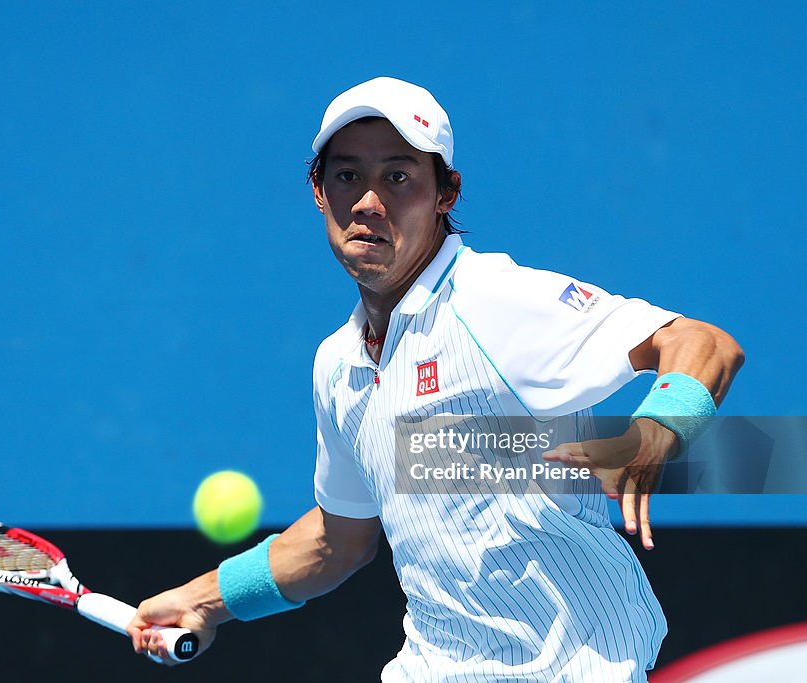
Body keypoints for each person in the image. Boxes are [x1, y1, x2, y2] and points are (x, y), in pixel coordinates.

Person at [126, 77, 744, 681]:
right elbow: (336, 542)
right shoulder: (338, 366)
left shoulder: (493, 299)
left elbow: (703, 343)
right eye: (347, 176)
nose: (369, 201)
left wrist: (658, 431)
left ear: (445, 192)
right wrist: (203, 599)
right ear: (319, 192)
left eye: (398, 177)